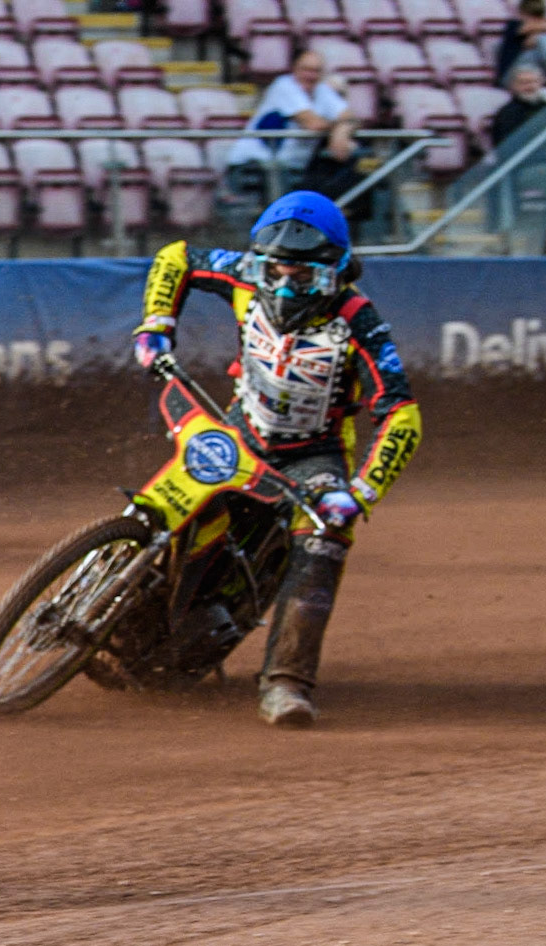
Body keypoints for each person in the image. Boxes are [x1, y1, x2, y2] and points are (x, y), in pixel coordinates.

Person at [132, 191, 422, 729]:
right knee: (175, 499)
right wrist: (156, 324)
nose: (286, 287)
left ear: (335, 272)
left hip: (315, 457)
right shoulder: (243, 275)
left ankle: (286, 682)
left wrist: (358, 494)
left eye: (305, 278)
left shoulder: (361, 323)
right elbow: (175, 256)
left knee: (322, 545)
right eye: (276, 272)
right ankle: (127, 590)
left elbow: (401, 414)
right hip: (244, 430)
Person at [227, 50, 359, 198]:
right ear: (294, 69)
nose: (311, 75)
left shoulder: (322, 90)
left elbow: (350, 117)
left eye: (316, 71)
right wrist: (339, 128)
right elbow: (312, 123)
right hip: (255, 165)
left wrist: (343, 129)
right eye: (306, 69)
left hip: (296, 168)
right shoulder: (284, 85)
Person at [494, 0, 546, 90]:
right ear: (522, 14)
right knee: (543, 39)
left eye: (538, 16)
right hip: (510, 75)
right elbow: (530, 37)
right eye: (531, 16)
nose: (535, 20)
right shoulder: (514, 25)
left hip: (533, 72)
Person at [492, 64, 546, 147]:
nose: (530, 86)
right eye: (524, 83)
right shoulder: (507, 114)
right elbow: (507, 147)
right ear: (513, 86)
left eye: (534, 82)